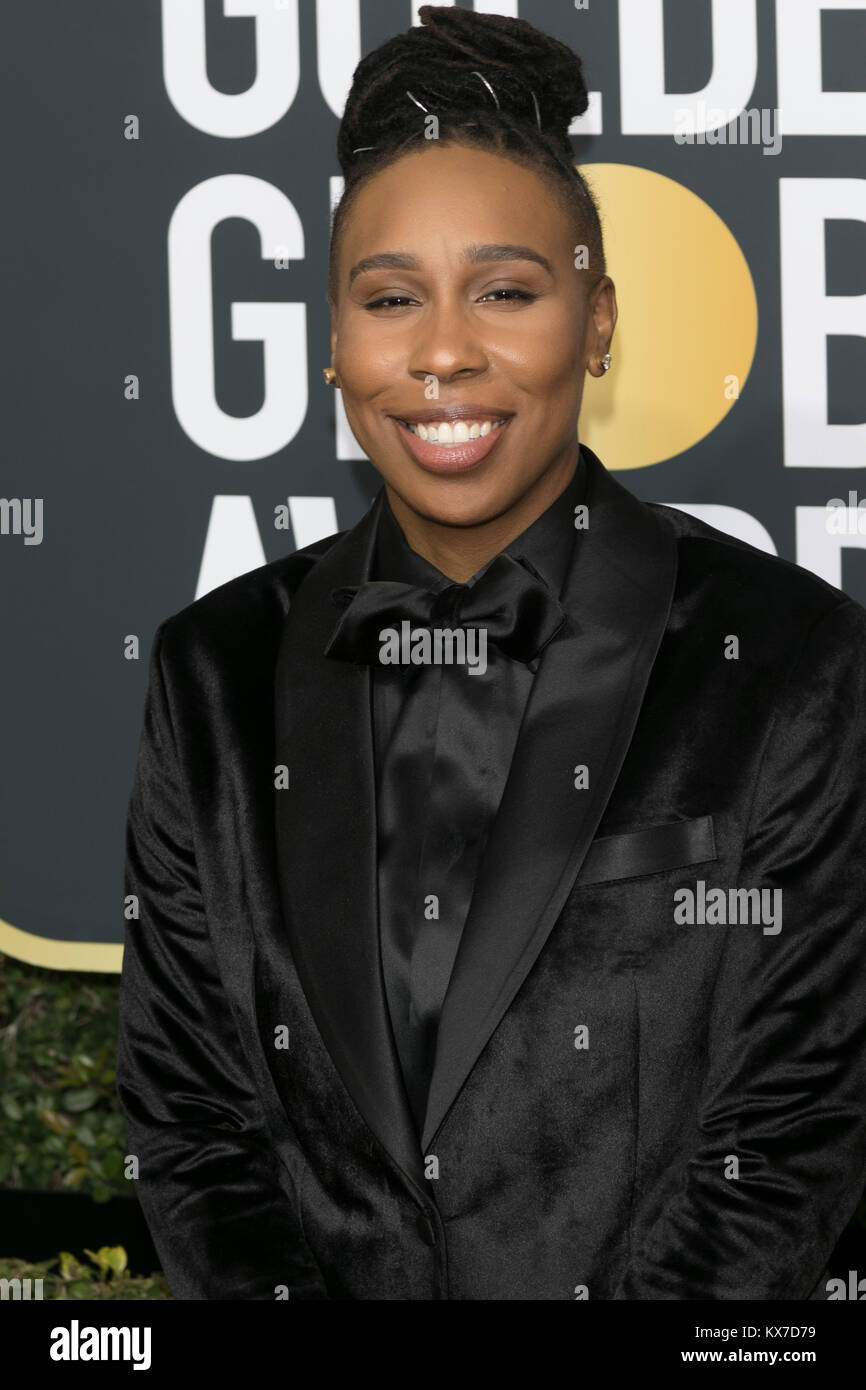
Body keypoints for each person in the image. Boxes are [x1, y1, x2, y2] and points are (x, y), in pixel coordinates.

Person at [116, 5, 866, 1300]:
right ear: (335, 342)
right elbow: (194, 1129)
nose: (444, 350)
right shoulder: (210, 674)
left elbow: (790, 1138)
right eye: (391, 296)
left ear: (597, 320)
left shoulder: (793, 662)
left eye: (506, 290)